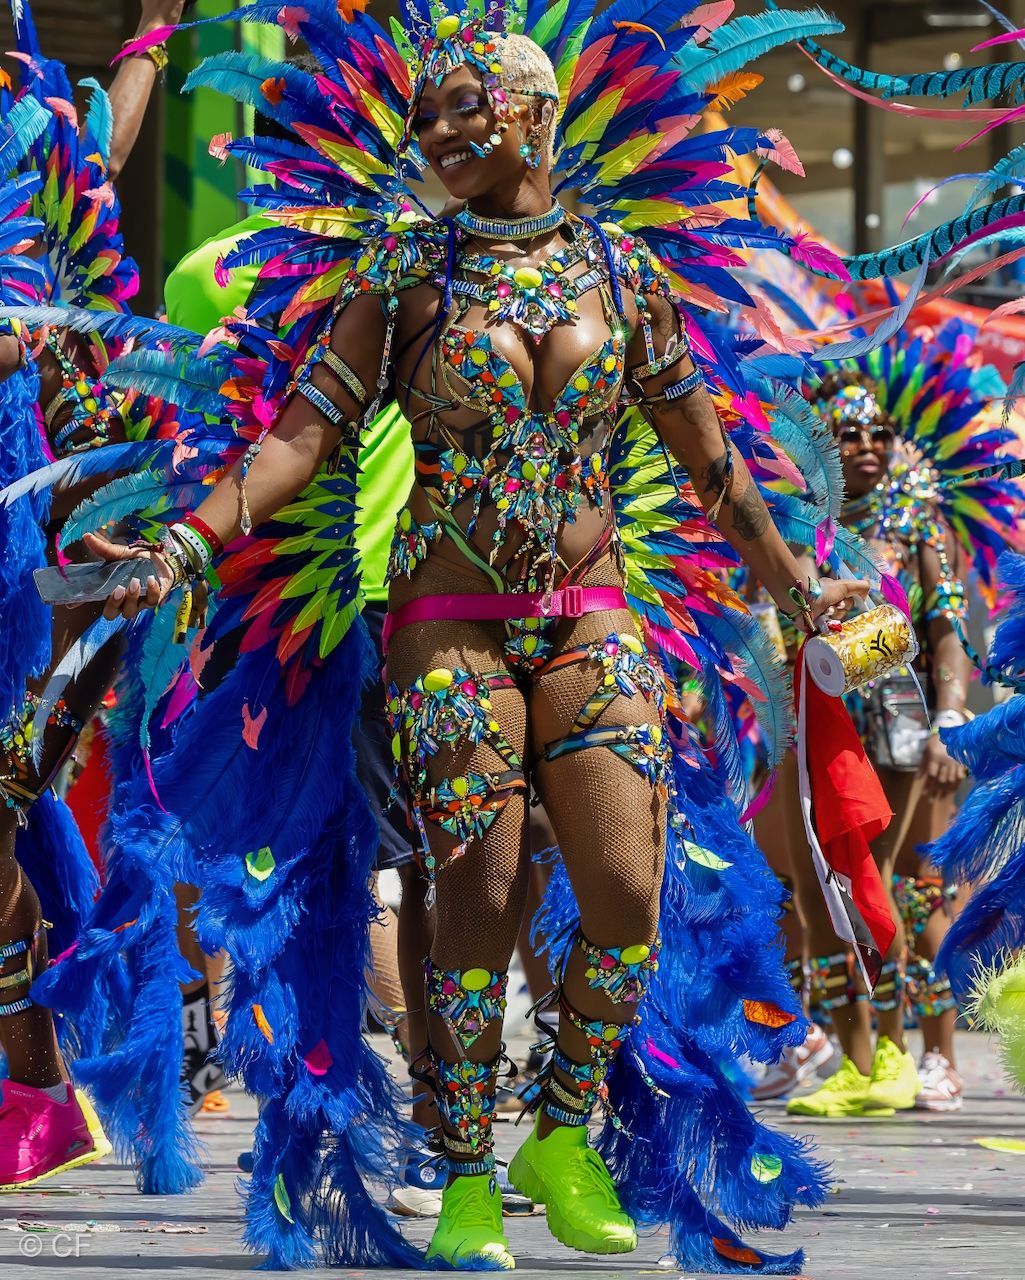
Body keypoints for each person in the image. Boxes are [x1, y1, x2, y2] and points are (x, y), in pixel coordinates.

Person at [82, 3, 872, 1270]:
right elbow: (300, 436)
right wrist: (185, 542)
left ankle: (557, 1127)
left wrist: (794, 587)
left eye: (466, 109)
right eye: (425, 116)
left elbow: (710, 463)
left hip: (594, 615)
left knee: (623, 892)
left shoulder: (623, 274)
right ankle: (462, 1174)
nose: (438, 134)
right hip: (445, 621)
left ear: (536, 116)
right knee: (481, 889)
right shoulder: (406, 275)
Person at [0, 0, 187, 1189]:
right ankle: (55, 1063)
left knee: (9, 776)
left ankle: (35, 1077)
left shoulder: (36, 127)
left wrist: (122, 498)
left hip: (9, 478)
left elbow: (92, 309)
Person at [783, 323, 1022, 1119]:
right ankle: (862, 1055)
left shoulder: (914, 519)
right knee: (824, 893)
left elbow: (945, 631)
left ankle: (934, 1058)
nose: (864, 446)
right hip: (812, 725)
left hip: (903, 729)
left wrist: (952, 718)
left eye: (876, 433)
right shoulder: (792, 526)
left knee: (911, 894)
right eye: (846, 434)